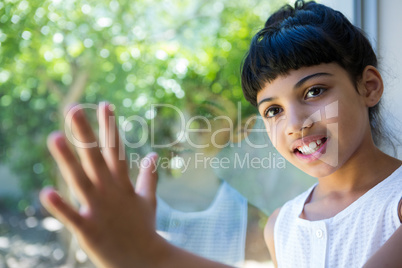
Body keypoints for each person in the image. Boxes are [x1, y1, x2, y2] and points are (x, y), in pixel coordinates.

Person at [39, 1, 402, 267]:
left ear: (368, 86)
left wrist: (151, 254)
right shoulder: (281, 226)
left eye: (314, 92)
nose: (294, 123)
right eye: (272, 110)